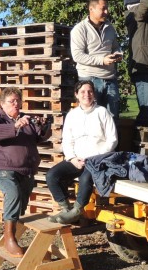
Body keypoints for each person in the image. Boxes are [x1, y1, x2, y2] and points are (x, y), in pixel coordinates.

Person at [0, 88, 51, 257]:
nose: (16, 104)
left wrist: (43, 126)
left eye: (18, 101)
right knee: (13, 192)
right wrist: (15, 126)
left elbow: (41, 137)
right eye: (11, 101)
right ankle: (9, 240)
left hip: (25, 170)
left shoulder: (25, 118)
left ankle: (11, 235)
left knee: (20, 204)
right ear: (2, 104)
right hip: (2, 168)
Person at [46, 80, 118, 224]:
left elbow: (112, 139)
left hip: (97, 160)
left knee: (86, 179)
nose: (87, 95)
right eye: (83, 92)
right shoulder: (72, 115)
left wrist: (94, 157)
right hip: (77, 159)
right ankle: (66, 210)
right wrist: (72, 158)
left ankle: (77, 211)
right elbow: (67, 140)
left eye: (90, 91)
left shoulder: (102, 112)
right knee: (52, 175)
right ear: (76, 95)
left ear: (94, 94)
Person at [71, 0, 122, 117]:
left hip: (110, 78)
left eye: (107, 8)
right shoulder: (79, 29)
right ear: (91, 9)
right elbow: (77, 56)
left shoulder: (110, 28)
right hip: (90, 79)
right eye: (103, 9)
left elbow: (115, 46)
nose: (106, 12)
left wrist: (118, 54)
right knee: (92, 118)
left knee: (112, 117)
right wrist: (102, 60)